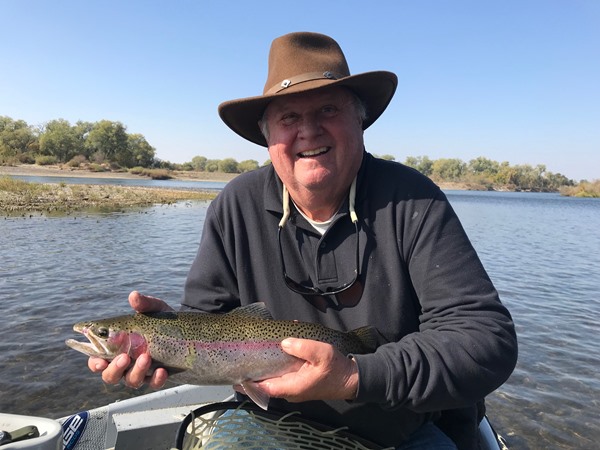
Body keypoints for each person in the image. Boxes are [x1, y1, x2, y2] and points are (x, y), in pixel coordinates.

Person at [89, 32, 518, 449]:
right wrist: (170, 338)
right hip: (270, 421)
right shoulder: (235, 205)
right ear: (267, 135)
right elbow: (210, 318)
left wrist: (355, 376)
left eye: (328, 109)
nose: (308, 131)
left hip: (401, 426)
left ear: (360, 118)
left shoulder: (413, 200)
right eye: (288, 118)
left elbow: (485, 341)